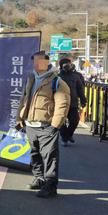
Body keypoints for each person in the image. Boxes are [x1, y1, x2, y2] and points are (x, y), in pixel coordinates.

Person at [17, 50, 70, 198]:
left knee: (50, 156)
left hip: (46, 125)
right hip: (30, 124)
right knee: (35, 153)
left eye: (38, 62)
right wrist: (19, 117)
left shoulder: (57, 81)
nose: (35, 65)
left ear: (46, 63)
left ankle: (51, 185)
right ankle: (39, 178)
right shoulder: (31, 78)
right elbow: (23, 99)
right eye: (34, 62)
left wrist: (55, 125)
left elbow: (62, 104)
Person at [58, 59, 87, 146]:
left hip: (73, 103)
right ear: (61, 66)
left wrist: (83, 100)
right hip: (60, 104)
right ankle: (65, 137)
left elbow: (80, 89)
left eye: (69, 64)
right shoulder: (57, 77)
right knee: (59, 122)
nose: (67, 66)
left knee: (74, 121)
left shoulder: (75, 77)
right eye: (65, 65)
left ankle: (67, 135)